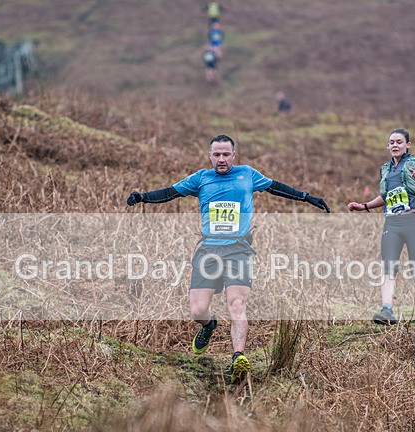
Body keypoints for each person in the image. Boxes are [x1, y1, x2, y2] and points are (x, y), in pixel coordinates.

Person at [126, 134, 330, 382]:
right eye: (217, 155)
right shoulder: (201, 178)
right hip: (208, 251)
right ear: (210, 156)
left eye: (225, 154)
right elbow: (170, 192)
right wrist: (143, 197)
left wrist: (307, 197)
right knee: (198, 310)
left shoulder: (248, 174)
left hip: (238, 251)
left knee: (237, 305)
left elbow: (276, 187)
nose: (221, 159)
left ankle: (238, 358)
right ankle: (209, 325)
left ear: (234, 155)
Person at [347, 128, 415, 325]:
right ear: (387, 146)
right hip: (391, 223)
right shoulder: (385, 169)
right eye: (391, 142)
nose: (395, 145)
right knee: (388, 266)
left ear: (408, 145)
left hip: (414, 222)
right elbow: (385, 197)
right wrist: (364, 206)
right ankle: (387, 310)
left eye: (399, 142)